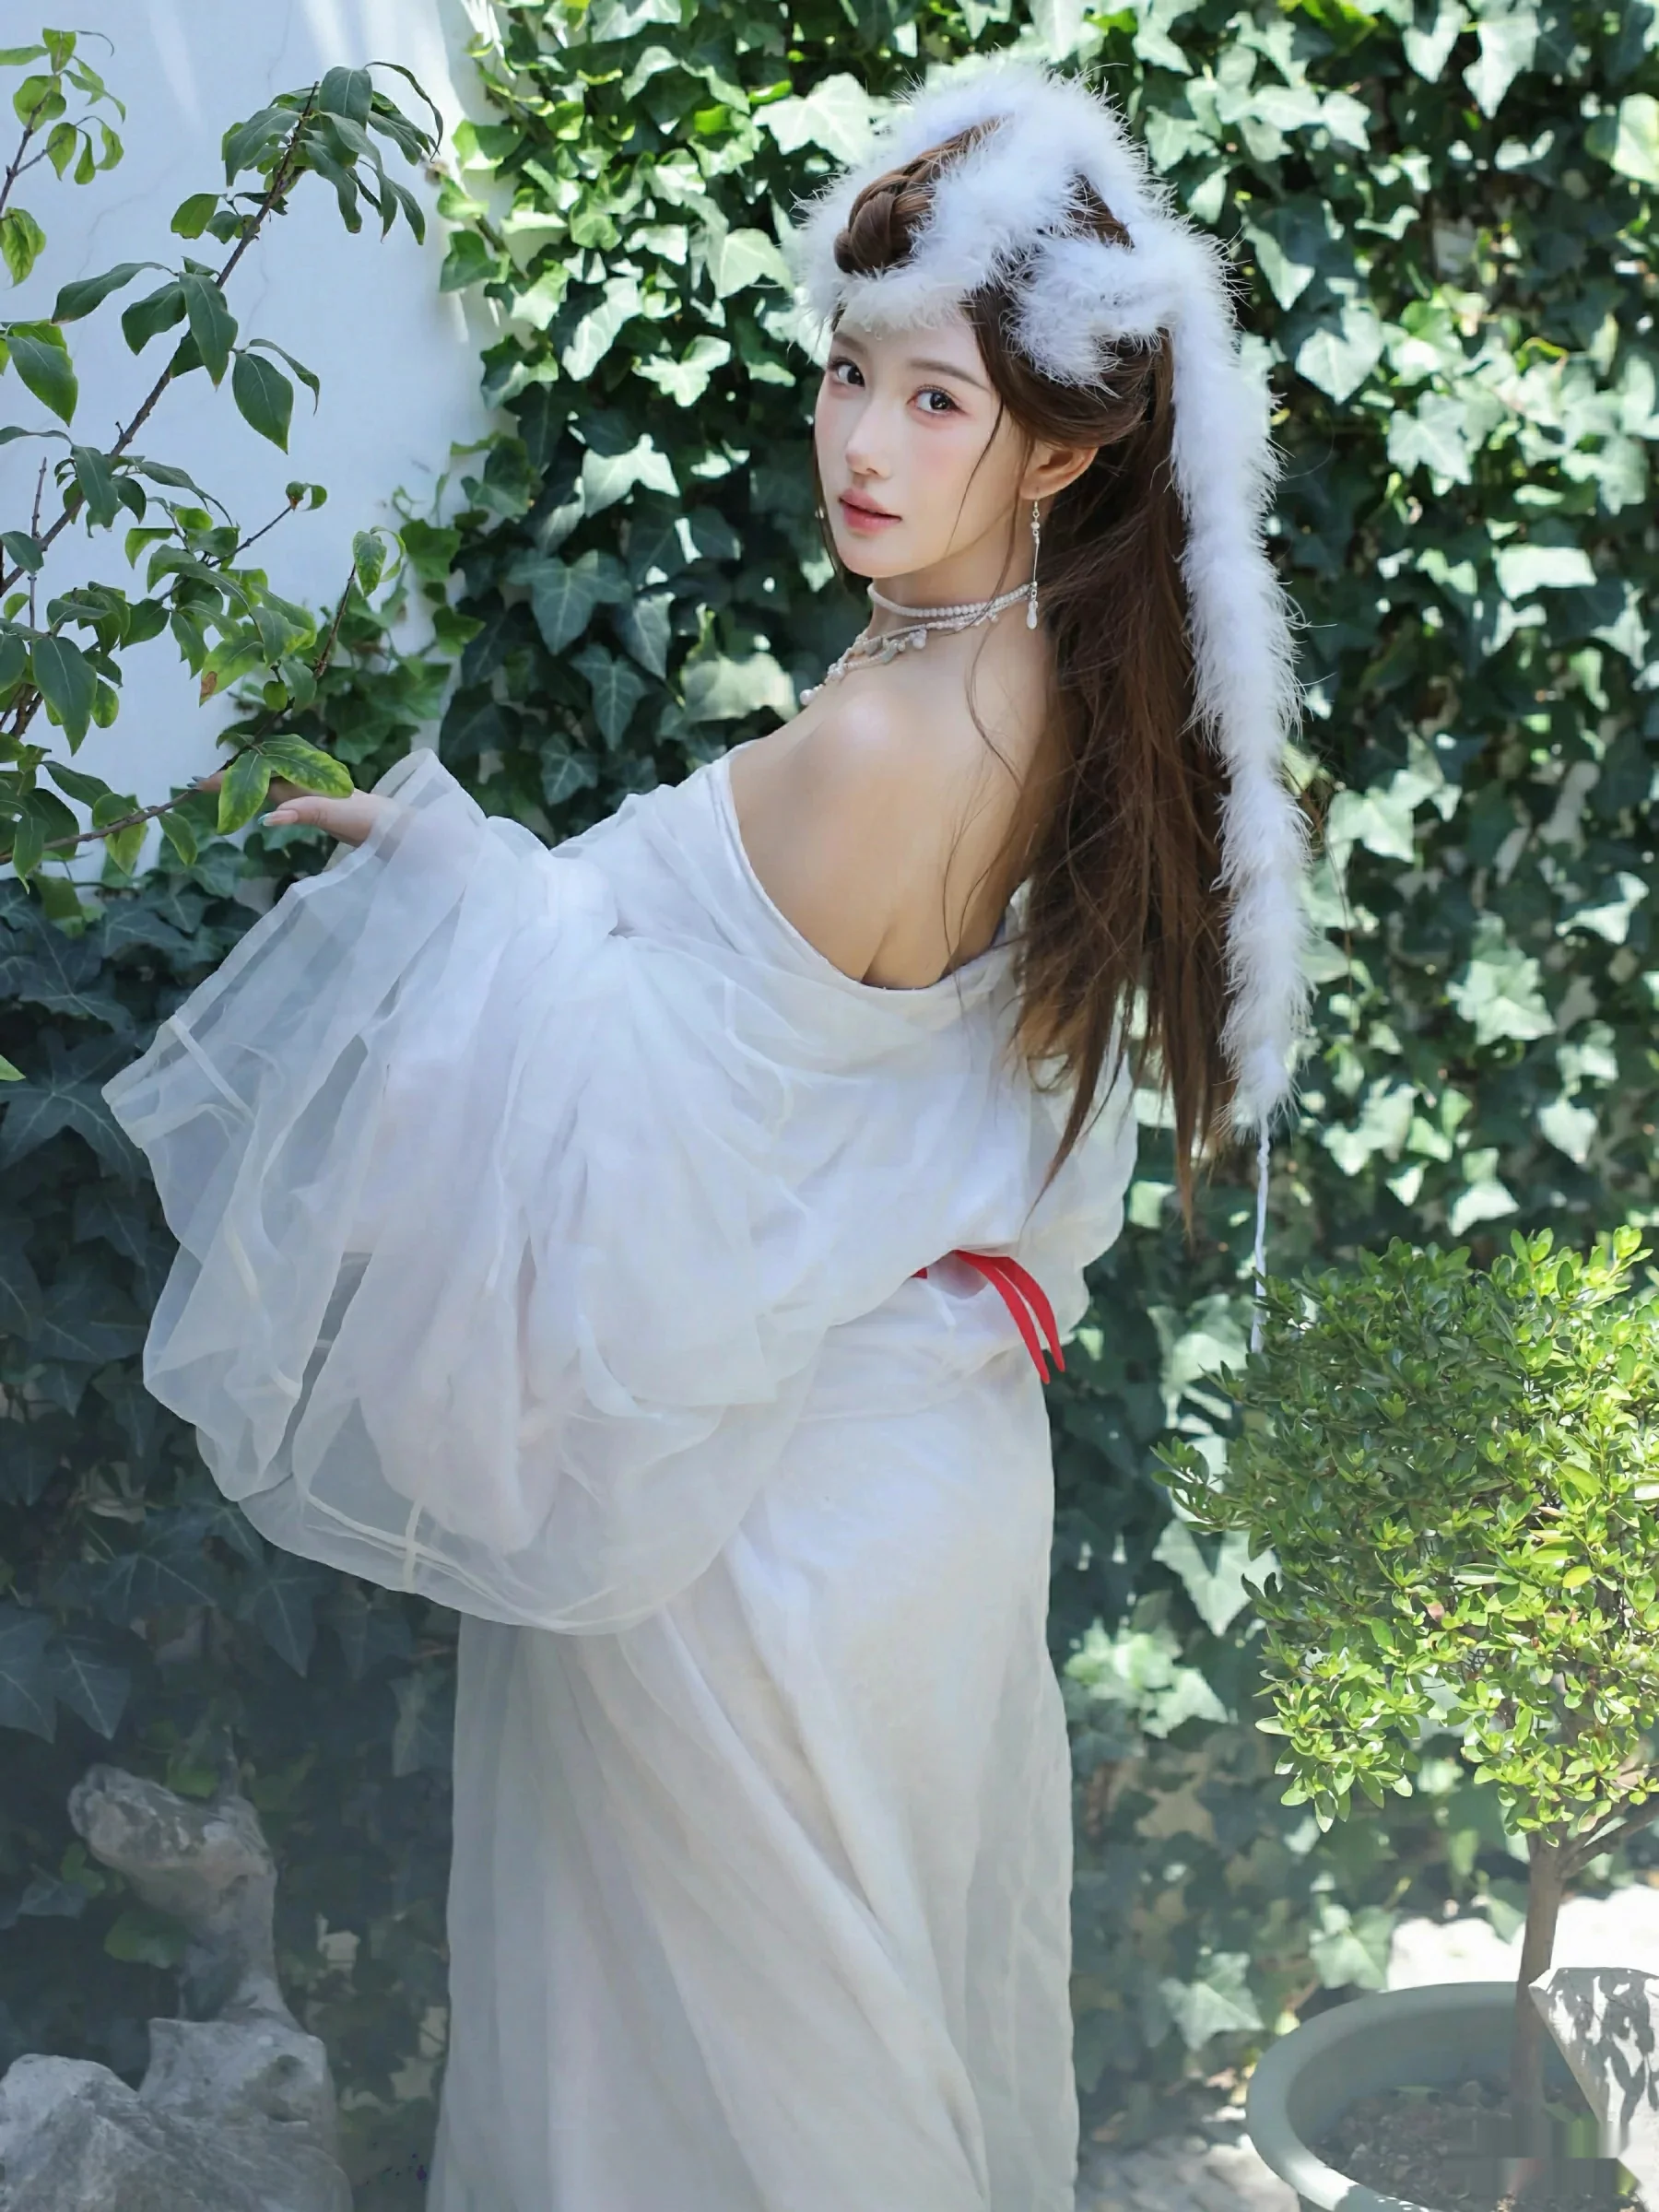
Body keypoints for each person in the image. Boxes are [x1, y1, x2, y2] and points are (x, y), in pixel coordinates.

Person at [102, 53, 1309, 2212]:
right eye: (849, 373)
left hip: (753, 1527)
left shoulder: (888, 736)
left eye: (933, 400)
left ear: (1063, 444)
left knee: (708, 2097)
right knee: (843, 2057)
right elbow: (789, 1055)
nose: (861, 442)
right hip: (919, 1477)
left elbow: (646, 1155)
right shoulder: (1054, 684)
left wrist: (448, 885)